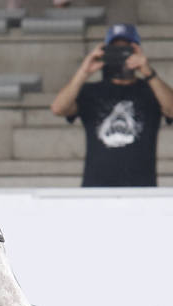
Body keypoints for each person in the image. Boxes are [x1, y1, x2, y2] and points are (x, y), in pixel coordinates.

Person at [50, 23, 173, 187]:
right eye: (114, 50)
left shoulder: (151, 90)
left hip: (141, 189)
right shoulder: (91, 91)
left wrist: (148, 72)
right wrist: (84, 71)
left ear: (137, 51)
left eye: (126, 50)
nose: (121, 56)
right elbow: (58, 108)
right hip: (96, 189)